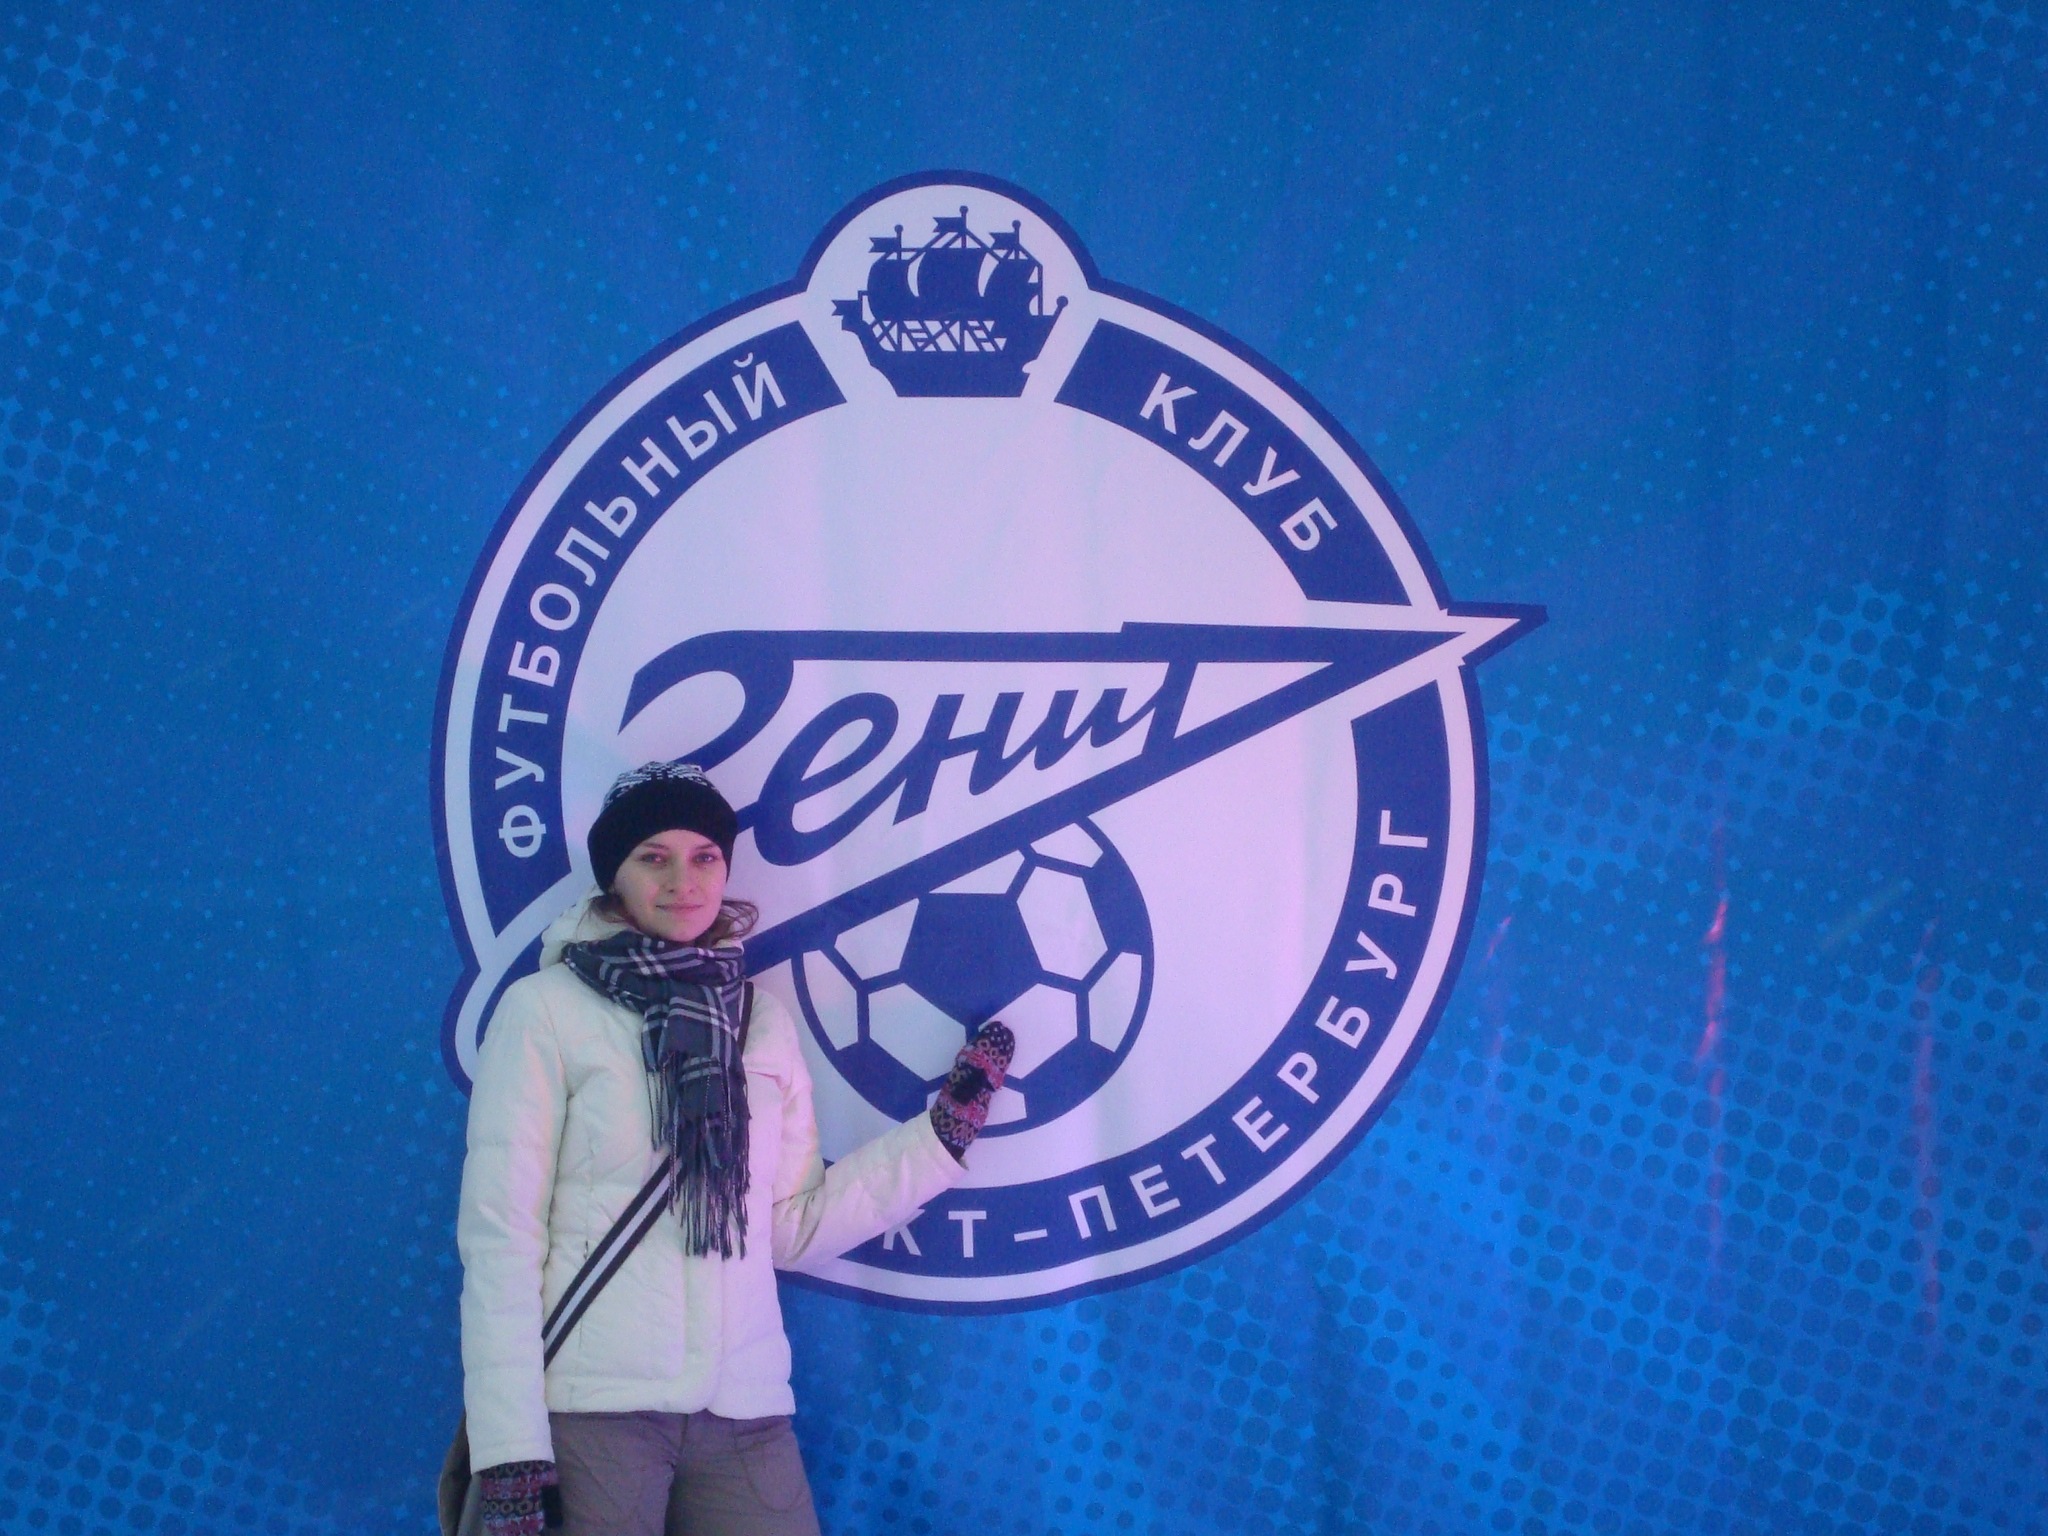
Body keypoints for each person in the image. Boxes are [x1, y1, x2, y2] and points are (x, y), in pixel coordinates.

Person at [458, 761, 1012, 1536]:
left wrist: (939, 1139)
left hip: (743, 1409)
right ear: (614, 875)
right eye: (653, 857)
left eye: (705, 856)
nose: (683, 880)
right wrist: (511, 1452)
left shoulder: (761, 1020)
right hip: (594, 1413)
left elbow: (790, 1225)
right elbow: (501, 1239)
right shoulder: (545, 1011)